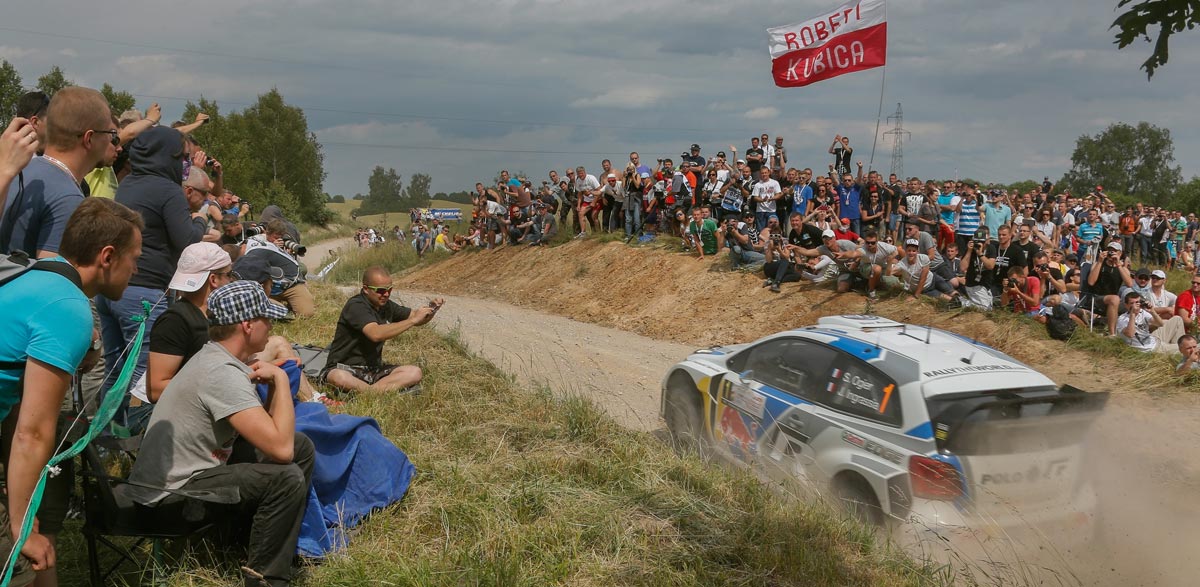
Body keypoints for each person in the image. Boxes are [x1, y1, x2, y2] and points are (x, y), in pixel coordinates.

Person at [127, 280, 313, 587]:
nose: (271, 326)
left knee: (301, 445)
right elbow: (280, 450)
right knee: (286, 476)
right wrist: (280, 379)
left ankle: (255, 544)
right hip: (169, 499)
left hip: (186, 477)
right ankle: (265, 579)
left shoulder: (215, 357)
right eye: (266, 319)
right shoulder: (222, 374)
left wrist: (271, 384)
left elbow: (273, 434)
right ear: (247, 325)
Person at [0, 198, 143, 585]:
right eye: (135, 258)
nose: (137, 269)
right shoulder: (68, 307)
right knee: (20, 570)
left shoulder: (36, 275)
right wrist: (22, 528)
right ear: (108, 256)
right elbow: (32, 433)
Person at [102, 125, 208, 423]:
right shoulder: (168, 189)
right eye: (183, 157)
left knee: (114, 366)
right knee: (144, 370)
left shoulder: (128, 183)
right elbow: (186, 239)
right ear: (168, 156)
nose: (184, 164)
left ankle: (106, 436)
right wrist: (199, 222)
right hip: (145, 290)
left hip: (112, 290)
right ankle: (139, 437)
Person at [2, 87, 115, 257]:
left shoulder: (22, 169)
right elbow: (51, 279)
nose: (113, 141)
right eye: (110, 133)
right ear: (89, 138)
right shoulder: (67, 199)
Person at [322, 266, 442, 394]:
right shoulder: (356, 306)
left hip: (373, 370)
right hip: (345, 368)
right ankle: (379, 391)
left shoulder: (385, 304)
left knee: (415, 372)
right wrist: (412, 321)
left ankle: (370, 392)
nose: (386, 294)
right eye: (380, 290)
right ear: (366, 289)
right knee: (337, 377)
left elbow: (415, 316)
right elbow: (376, 333)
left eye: (389, 289)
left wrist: (431, 311)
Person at [1117, 292, 1188, 353]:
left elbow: (1160, 324)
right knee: (1187, 347)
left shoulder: (1142, 312)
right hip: (1150, 348)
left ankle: (1176, 347)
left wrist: (1152, 311)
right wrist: (1132, 314)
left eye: (1137, 302)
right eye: (1132, 303)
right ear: (1126, 305)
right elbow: (1130, 334)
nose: (1136, 305)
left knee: (1177, 319)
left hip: (1152, 339)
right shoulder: (1122, 319)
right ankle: (1178, 349)